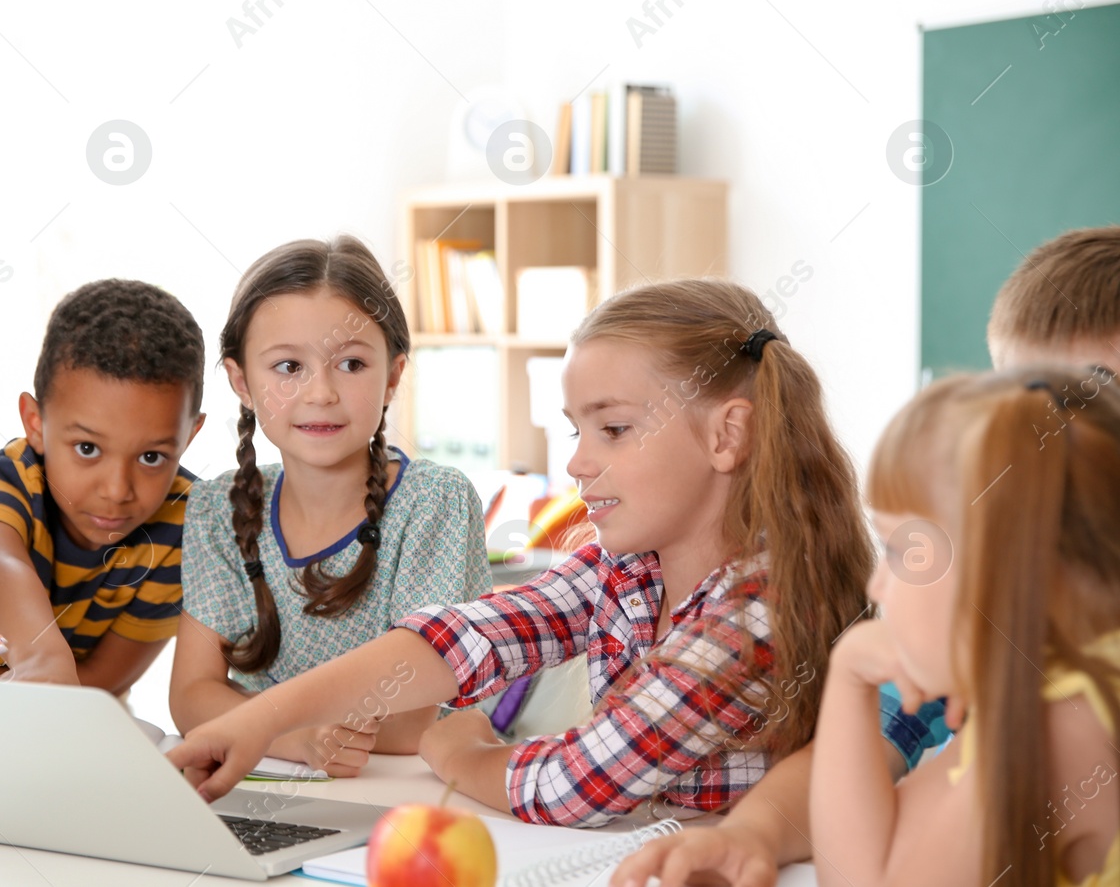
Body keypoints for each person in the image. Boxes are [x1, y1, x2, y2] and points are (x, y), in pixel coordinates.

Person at [168, 277, 875, 825]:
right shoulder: (622, 570)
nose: (576, 464)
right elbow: (463, 637)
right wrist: (260, 720)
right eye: (576, 432)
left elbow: (578, 784)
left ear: (726, 436)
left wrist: (460, 752)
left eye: (615, 429)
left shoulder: (753, 611)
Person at [613, 224, 1120, 887]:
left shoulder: (1063, 710)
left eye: (1084, 401)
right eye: (1014, 401)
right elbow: (880, 731)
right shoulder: (996, 624)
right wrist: (753, 831)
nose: (1038, 445)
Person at [168, 236, 491, 774]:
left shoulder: (435, 504)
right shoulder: (216, 509)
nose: (320, 393)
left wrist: (260, 724)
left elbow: (416, 715)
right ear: (242, 382)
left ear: (392, 376)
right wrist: (300, 741)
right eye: (288, 367)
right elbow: (192, 698)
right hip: (273, 775)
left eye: (351, 364)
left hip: (413, 788)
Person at [812, 365, 1120, 886]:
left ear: (1001, 566)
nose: (876, 587)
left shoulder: (1061, 725)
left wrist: (847, 677)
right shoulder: (1069, 689)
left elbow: (861, 880)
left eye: (899, 550)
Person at [0, 280, 206, 696]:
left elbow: (107, 680)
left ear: (189, 436)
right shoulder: (5, 483)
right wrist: (42, 662)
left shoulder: (189, 523)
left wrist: (39, 685)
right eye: (87, 448)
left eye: (151, 457)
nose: (117, 490)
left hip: (67, 715)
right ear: (35, 423)